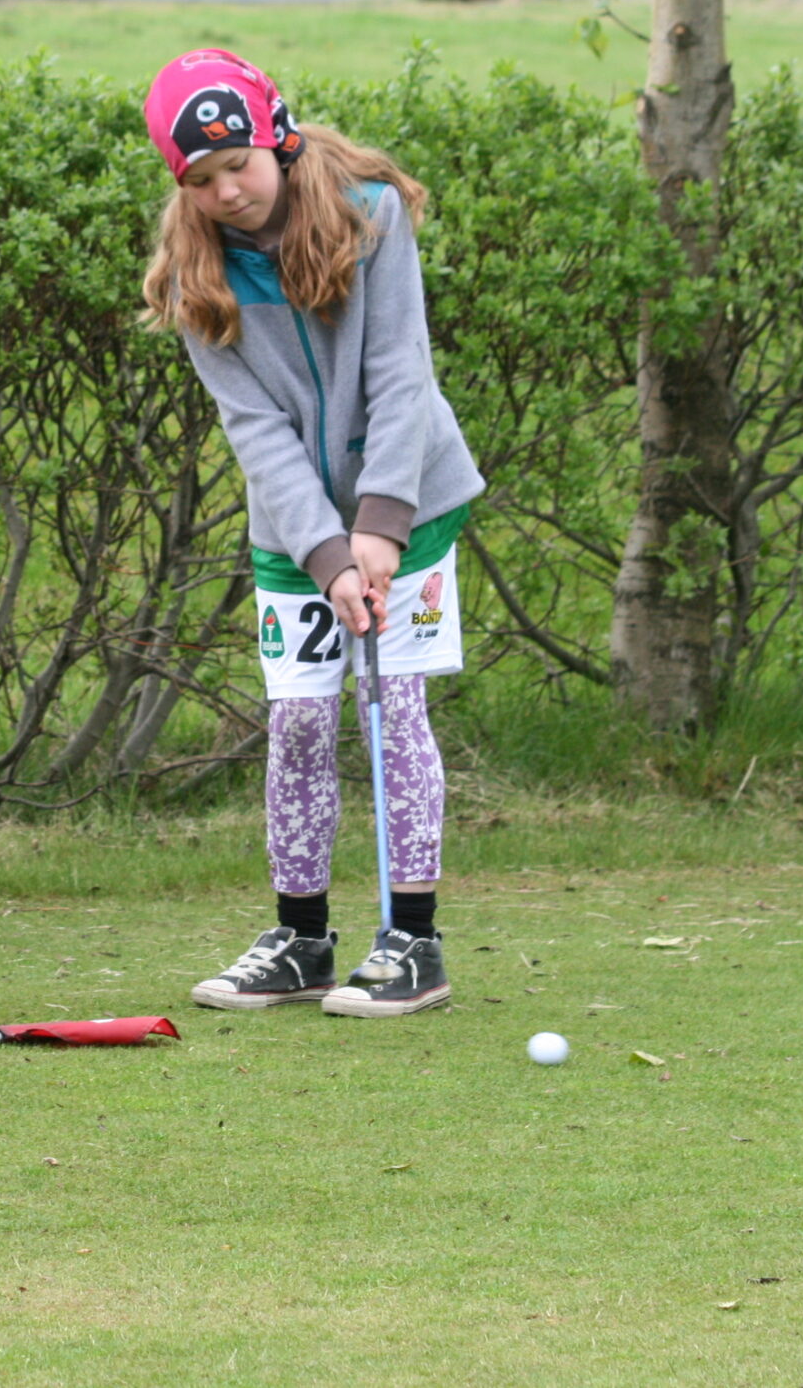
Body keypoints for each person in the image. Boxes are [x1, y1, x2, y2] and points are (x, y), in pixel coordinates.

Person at [139, 50, 482, 1018]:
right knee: (296, 723)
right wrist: (329, 554)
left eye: (238, 164)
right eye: (200, 179)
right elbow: (256, 431)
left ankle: (413, 942)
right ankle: (302, 941)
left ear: (277, 139)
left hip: (411, 503)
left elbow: (400, 372)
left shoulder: (370, 216)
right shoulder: (194, 275)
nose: (226, 191)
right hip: (294, 530)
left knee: (393, 708)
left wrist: (380, 527)